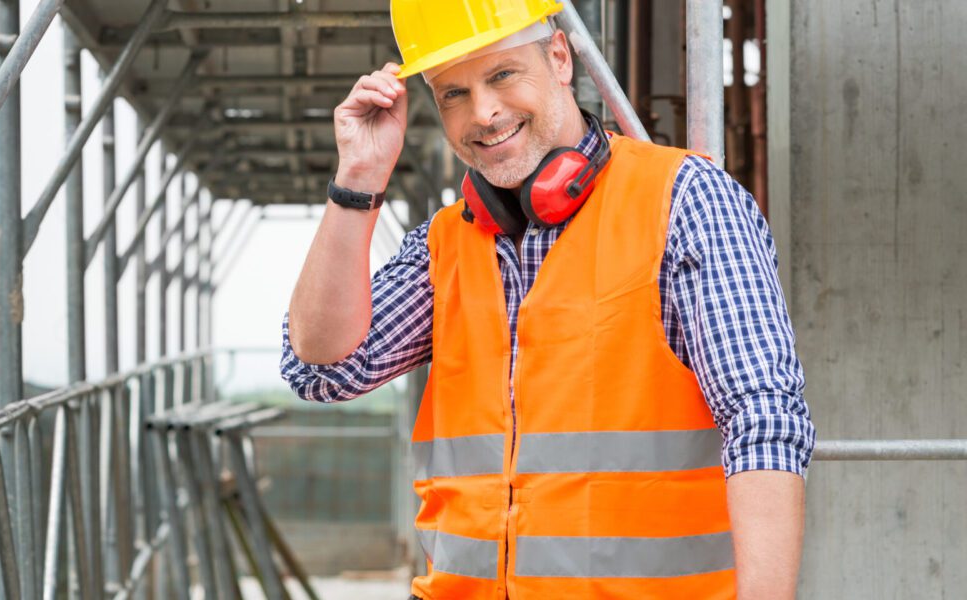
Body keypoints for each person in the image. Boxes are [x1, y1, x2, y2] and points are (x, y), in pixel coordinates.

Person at [281, 0, 814, 597]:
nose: (483, 112)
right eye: (453, 93)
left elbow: (763, 418)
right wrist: (357, 180)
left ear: (559, 58)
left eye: (502, 75)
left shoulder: (685, 202)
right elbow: (321, 367)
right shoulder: (446, 244)